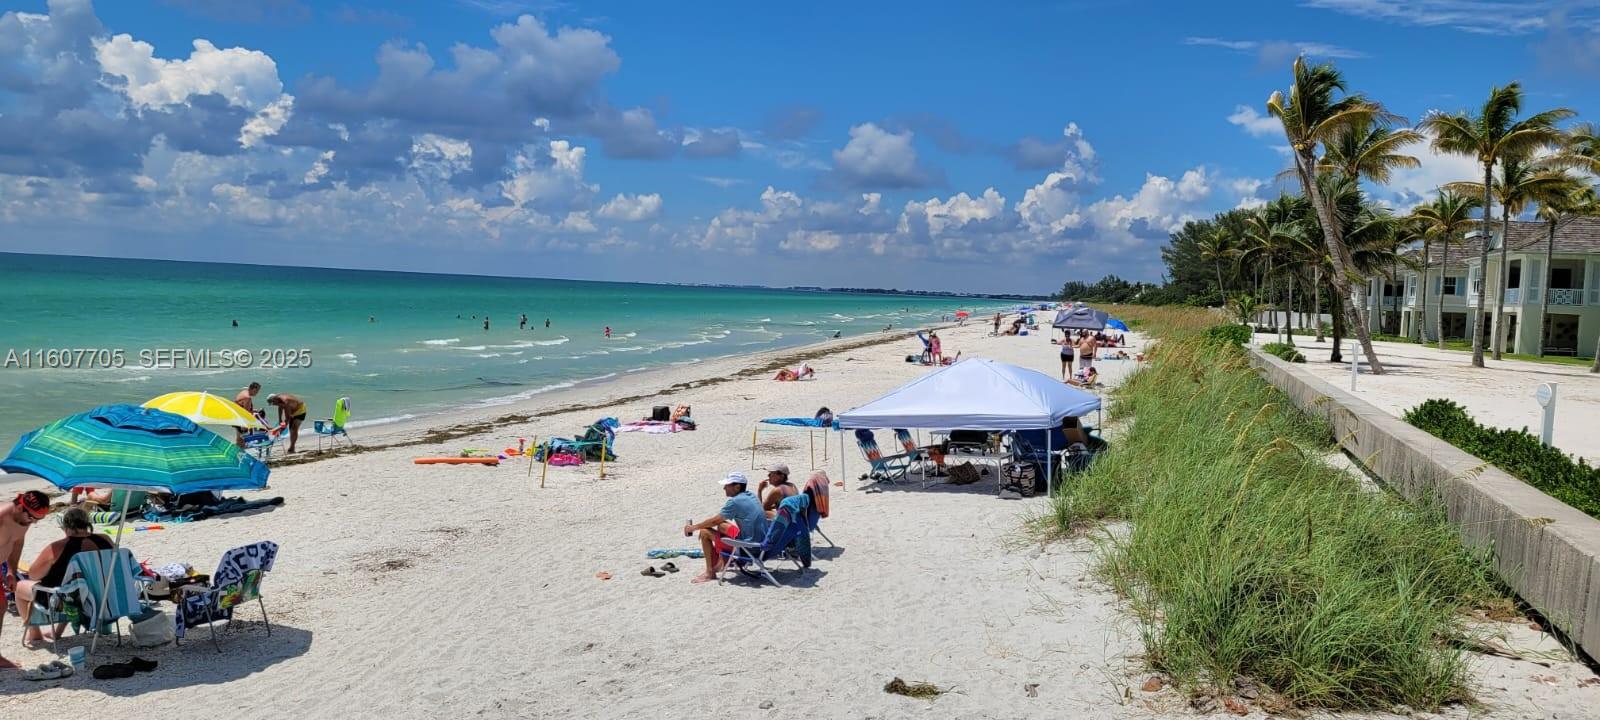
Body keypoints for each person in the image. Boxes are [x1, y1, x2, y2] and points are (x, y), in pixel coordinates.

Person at [15, 507, 114, 649]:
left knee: (21, 587)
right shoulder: (105, 540)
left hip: (68, 601)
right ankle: (57, 632)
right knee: (74, 585)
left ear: (65, 526)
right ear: (87, 523)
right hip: (102, 596)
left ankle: (34, 632)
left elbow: (33, 574)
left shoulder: (57, 547)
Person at [682, 472, 767, 584]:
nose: (724, 488)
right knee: (722, 525)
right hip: (762, 544)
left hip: (748, 548)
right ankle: (722, 561)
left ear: (737, 487)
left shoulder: (734, 502)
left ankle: (710, 573)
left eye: (727, 485)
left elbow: (714, 521)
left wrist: (693, 528)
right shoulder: (751, 496)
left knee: (704, 532)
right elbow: (718, 522)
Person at [1, 491, 50, 668]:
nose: (34, 522)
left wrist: (11, 571)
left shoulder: (23, 519)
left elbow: (17, 543)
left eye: (38, 519)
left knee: (2, 606)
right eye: (32, 517)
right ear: (20, 506)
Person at [234, 381, 261, 448]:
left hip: (235, 416)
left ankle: (238, 451)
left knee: (239, 438)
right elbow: (246, 413)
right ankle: (241, 453)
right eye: (257, 391)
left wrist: (252, 411)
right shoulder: (247, 398)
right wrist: (245, 425)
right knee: (242, 439)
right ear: (254, 389)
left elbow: (241, 407)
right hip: (241, 420)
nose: (257, 393)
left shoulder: (244, 392)